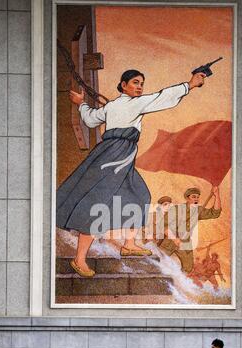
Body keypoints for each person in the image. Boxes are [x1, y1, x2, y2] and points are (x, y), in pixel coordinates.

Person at [56, 69, 206, 277]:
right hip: (114, 157)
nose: (139, 87)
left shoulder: (112, 106)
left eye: (141, 83)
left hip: (122, 157)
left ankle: (128, 244)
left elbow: (90, 119)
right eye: (135, 82)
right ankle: (79, 259)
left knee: (139, 195)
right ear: (123, 85)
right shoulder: (134, 103)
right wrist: (190, 84)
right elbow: (162, 97)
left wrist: (81, 103)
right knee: (97, 203)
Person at [156, 186, 222, 273]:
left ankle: (178, 283)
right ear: (187, 198)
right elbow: (163, 226)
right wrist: (175, 239)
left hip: (185, 242)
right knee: (157, 263)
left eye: (197, 197)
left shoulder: (199, 210)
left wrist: (216, 195)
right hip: (169, 240)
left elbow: (215, 213)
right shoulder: (176, 209)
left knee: (188, 267)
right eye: (193, 197)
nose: (196, 199)